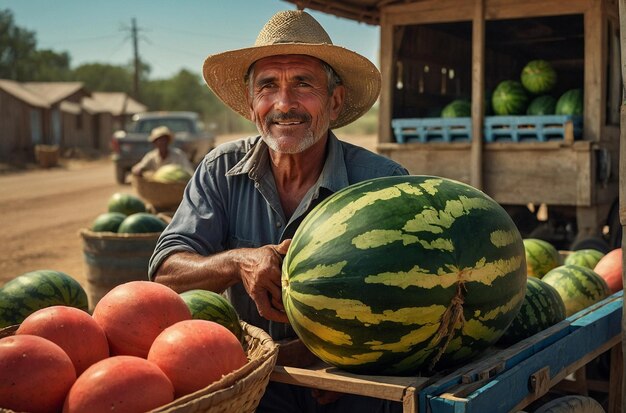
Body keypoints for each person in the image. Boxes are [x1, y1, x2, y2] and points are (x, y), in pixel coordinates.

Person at [148, 9, 407, 413]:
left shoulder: (382, 182)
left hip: (355, 385)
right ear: (252, 105)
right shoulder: (219, 171)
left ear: (335, 101)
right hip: (247, 387)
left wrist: (341, 353)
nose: (284, 104)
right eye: (268, 86)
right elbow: (165, 273)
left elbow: (416, 296)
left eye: (303, 84)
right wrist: (238, 261)